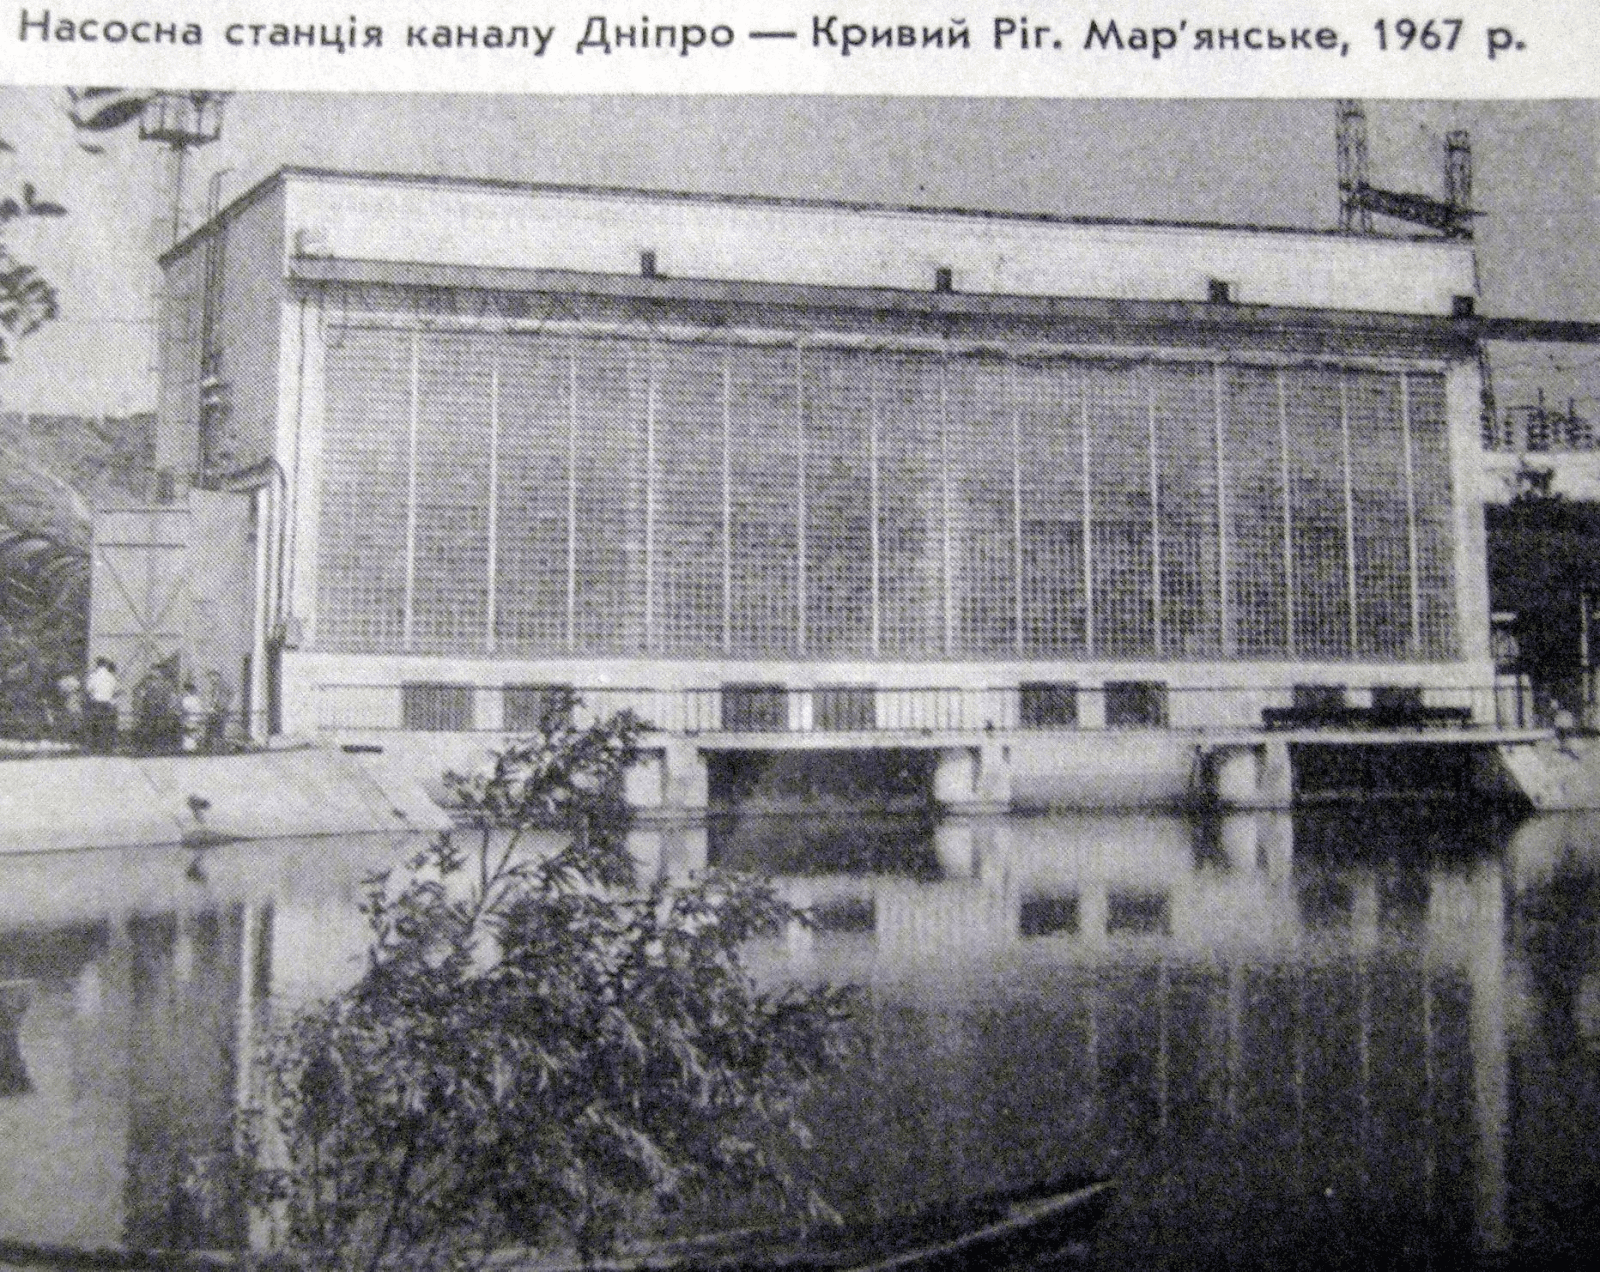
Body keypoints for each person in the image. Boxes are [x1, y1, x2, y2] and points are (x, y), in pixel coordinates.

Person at [84, 657, 118, 753]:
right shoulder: (111, 677)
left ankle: (94, 747)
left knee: (94, 725)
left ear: (97, 664)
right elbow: (115, 690)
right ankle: (107, 747)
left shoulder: (93, 675)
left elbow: (88, 689)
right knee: (107, 725)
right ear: (106, 665)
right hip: (108, 703)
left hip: (96, 703)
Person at [180, 678, 205, 753]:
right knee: (193, 733)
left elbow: (185, 710)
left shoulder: (186, 699)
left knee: (189, 733)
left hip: (190, 718)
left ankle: (190, 748)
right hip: (197, 718)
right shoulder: (197, 699)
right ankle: (193, 747)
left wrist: (183, 717)